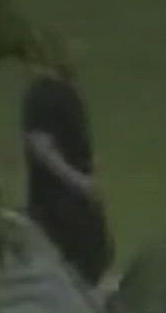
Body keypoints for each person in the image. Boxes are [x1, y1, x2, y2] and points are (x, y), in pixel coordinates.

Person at [21, 40, 113, 288]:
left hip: (73, 197)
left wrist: (87, 163)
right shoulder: (42, 95)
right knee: (76, 262)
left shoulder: (64, 91)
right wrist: (78, 179)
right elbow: (41, 146)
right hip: (58, 201)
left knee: (94, 257)